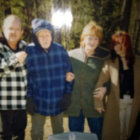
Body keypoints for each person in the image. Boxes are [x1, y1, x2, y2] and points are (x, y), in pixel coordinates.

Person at [25, 18, 74, 140]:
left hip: (58, 99)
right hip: (38, 100)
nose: (45, 38)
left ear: (52, 35)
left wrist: (67, 94)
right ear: (36, 38)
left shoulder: (60, 50)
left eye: (47, 34)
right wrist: (29, 97)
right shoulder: (30, 51)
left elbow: (70, 73)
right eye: (41, 36)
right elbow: (28, 78)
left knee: (59, 131)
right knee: (36, 132)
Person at [64, 21, 109, 140]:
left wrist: (106, 88)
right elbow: (60, 74)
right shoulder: (71, 55)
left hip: (95, 105)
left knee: (98, 134)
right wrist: (65, 77)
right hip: (75, 106)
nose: (92, 42)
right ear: (83, 38)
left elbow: (113, 77)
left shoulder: (104, 58)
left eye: (96, 39)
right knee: (75, 136)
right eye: (90, 38)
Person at [94, 31, 140, 140]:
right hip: (116, 103)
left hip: (135, 103)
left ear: (128, 44)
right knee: (115, 133)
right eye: (115, 44)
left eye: (121, 43)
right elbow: (100, 82)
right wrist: (98, 102)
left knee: (130, 132)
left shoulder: (138, 61)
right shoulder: (110, 63)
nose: (118, 47)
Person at [0, 15, 27, 140]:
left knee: (19, 136)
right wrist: (15, 60)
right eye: (10, 28)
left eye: (17, 29)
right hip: (3, 106)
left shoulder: (25, 47)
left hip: (21, 105)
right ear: (3, 29)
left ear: (21, 32)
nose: (13, 32)